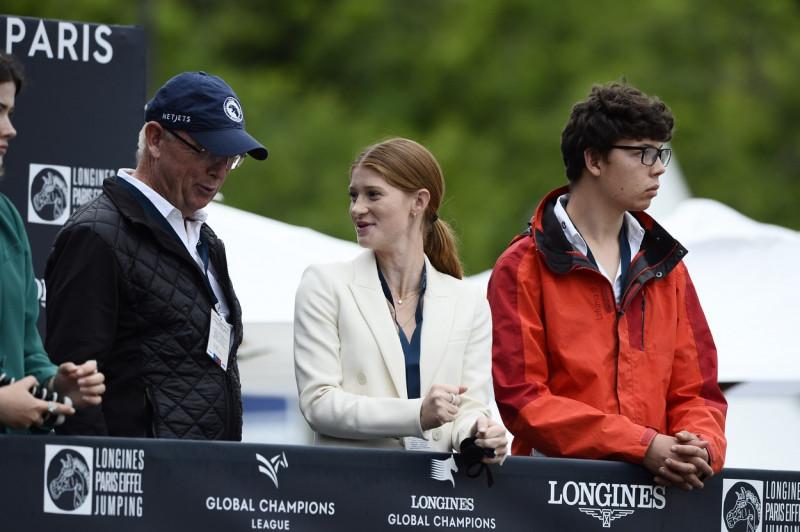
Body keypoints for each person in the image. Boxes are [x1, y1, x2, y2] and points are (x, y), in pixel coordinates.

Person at [488, 80, 727, 490]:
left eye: (661, 152)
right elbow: (525, 402)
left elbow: (699, 392)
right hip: (552, 501)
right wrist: (643, 445)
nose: (659, 167)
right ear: (594, 160)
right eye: (643, 153)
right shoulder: (521, 266)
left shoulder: (667, 267)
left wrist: (698, 448)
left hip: (658, 495)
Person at [44, 71, 268, 439]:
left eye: (232, 157)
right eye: (206, 150)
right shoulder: (96, 236)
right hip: (142, 484)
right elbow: (75, 392)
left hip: (208, 480)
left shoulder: (206, 241)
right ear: (155, 139)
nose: (219, 170)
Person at [294, 137, 507, 464]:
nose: (356, 208)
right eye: (353, 195)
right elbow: (319, 404)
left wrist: (480, 434)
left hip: (431, 497)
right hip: (348, 489)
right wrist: (416, 413)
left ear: (419, 202)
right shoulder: (324, 284)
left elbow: (470, 409)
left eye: (373, 194)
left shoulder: (469, 300)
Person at [0, 51, 105, 434]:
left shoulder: (7, 218)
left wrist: (56, 384)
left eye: (10, 112)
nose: (10, 128)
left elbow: (28, 350)